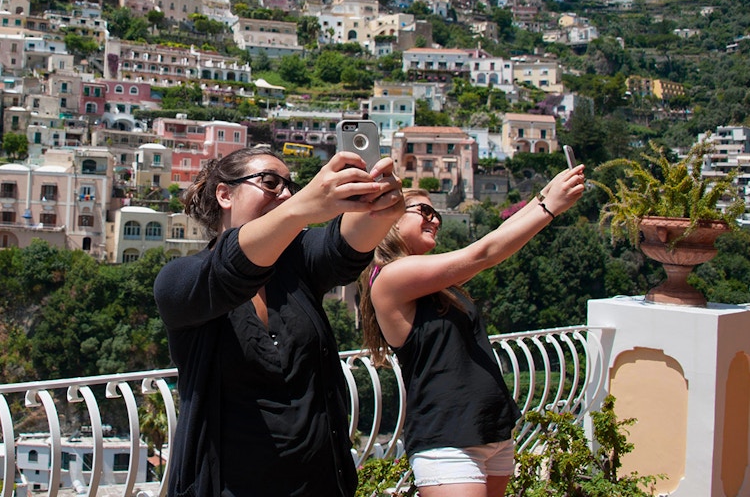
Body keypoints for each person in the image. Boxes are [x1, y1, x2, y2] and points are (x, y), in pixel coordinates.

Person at [154, 146, 405, 497]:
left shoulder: (297, 262)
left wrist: (378, 204)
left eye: (290, 185)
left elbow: (342, 248)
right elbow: (231, 267)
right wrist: (301, 208)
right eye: (270, 183)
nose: (285, 193)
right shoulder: (182, 280)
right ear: (225, 194)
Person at [360, 166, 585, 497]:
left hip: (488, 430)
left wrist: (543, 197)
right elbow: (483, 253)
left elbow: (493, 240)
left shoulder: (433, 284)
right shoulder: (390, 278)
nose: (435, 220)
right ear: (391, 219)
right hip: (449, 440)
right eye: (424, 210)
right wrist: (548, 206)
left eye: (436, 213)